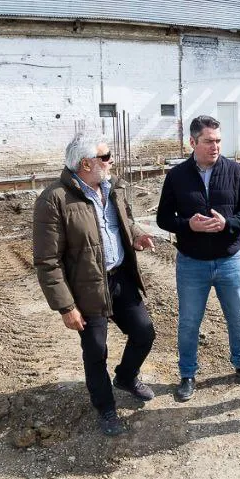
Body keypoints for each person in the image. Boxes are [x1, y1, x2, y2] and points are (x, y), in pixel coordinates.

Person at [33, 135, 158, 437]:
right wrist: (66, 306)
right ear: (85, 163)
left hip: (119, 278)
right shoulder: (54, 200)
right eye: (105, 156)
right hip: (85, 288)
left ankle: (126, 377)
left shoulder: (113, 188)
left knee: (144, 332)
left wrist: (137, 235)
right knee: (96, 351)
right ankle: (105, 408)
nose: (111, 160)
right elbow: (47, 260)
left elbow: (125, 222)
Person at [156, 115, 240, 402]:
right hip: (192, 263)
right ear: (192, 142)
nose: (215, 146)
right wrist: (187, 225)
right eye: (208, 141)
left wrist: (227, 223)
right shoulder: (177, 177)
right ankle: (188, 374)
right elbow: (163, 218)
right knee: (190, 321)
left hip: (230, 261)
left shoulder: (236, 172)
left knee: (238, 317)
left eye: (218, 140)